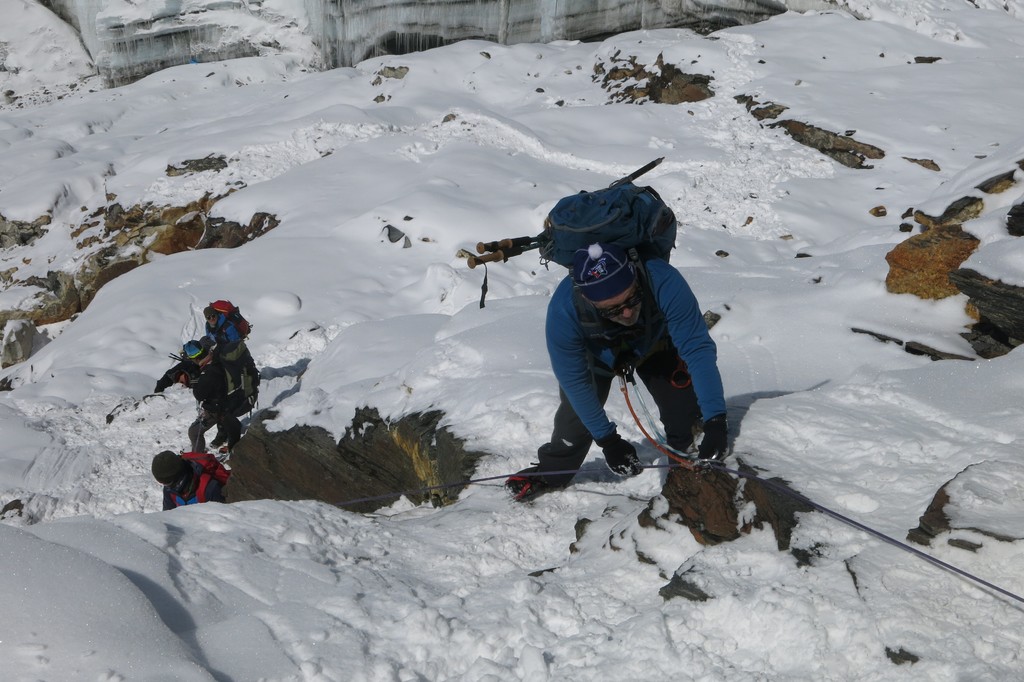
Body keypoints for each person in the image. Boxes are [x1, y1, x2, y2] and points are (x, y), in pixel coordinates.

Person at [505, 242, 728, 501]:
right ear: (588, 299)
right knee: (573, 424)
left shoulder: (662, 281)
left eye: (632, 299)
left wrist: (716, 420)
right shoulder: (564, 310)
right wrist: (608, 441)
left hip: (654, 343)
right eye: (612, 309)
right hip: (597, 357)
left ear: (635, 275)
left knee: (683, 413)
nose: (626, 312)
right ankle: (551, 472)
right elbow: (575, 382)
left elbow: (697, 349)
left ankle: (685, 468)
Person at [182, 339, 258, 455]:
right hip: (240, 398)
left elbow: (199, 395)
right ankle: (233, 443)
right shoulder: (218, 357)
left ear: (195, 359)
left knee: (194, 432)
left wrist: (195, 379)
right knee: (228, 419)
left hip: (224, 407)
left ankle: (197, 462)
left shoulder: (208, 374)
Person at [151, 450, 227, 510]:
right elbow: (167, 516)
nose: (166, 486)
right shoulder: (170, 490)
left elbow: (222, 521)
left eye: (167, 483)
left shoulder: (209, 488)